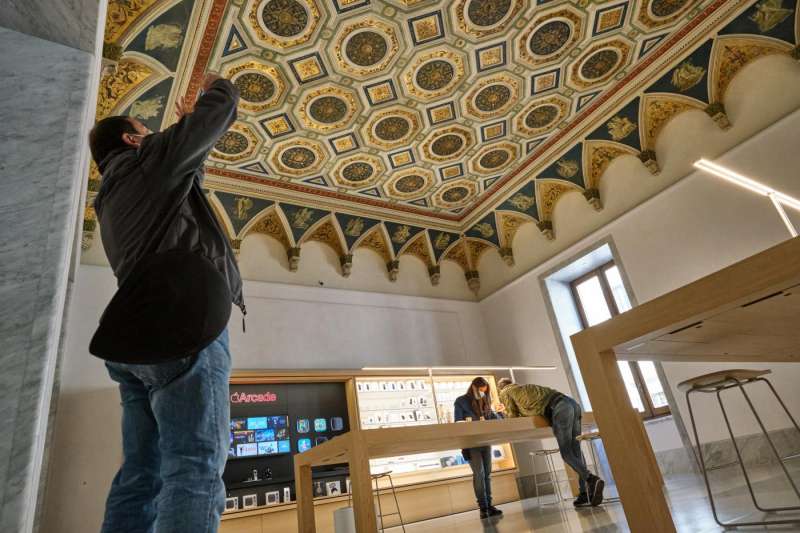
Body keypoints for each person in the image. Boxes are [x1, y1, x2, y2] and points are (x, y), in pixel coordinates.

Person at [89, 72, 243, 533]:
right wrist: (219, 87)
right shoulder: (146, 164)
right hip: (182, 327)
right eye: (147, 131)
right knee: (195, 466)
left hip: (132, 344)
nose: (156, 137)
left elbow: (182, 181)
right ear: (134, 140)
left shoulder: (113, 195)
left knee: (142, 474)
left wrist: (184, 146)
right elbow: (217, 115)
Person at [497, 378, 604, 507]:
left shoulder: (505, 392)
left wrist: (502, 412)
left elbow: (512, 417)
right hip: (572, 404)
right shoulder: (524, 388)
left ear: (500, 388)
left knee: (566, 453)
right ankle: (584, 494)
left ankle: (591, 479)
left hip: (560, 409)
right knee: (576, 452)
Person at [453, 377, 504, 519]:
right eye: (481, 390)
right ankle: (483, 507)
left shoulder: (485, 403)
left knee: (487, 473)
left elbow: (496, 421)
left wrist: (500, 412)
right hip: (471, 443)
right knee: (479, 474)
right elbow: (457, 422)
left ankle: (489, 505)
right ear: (474, 388)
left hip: (485, 442)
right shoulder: (461, 401)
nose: (482, 393)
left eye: (485, 391)